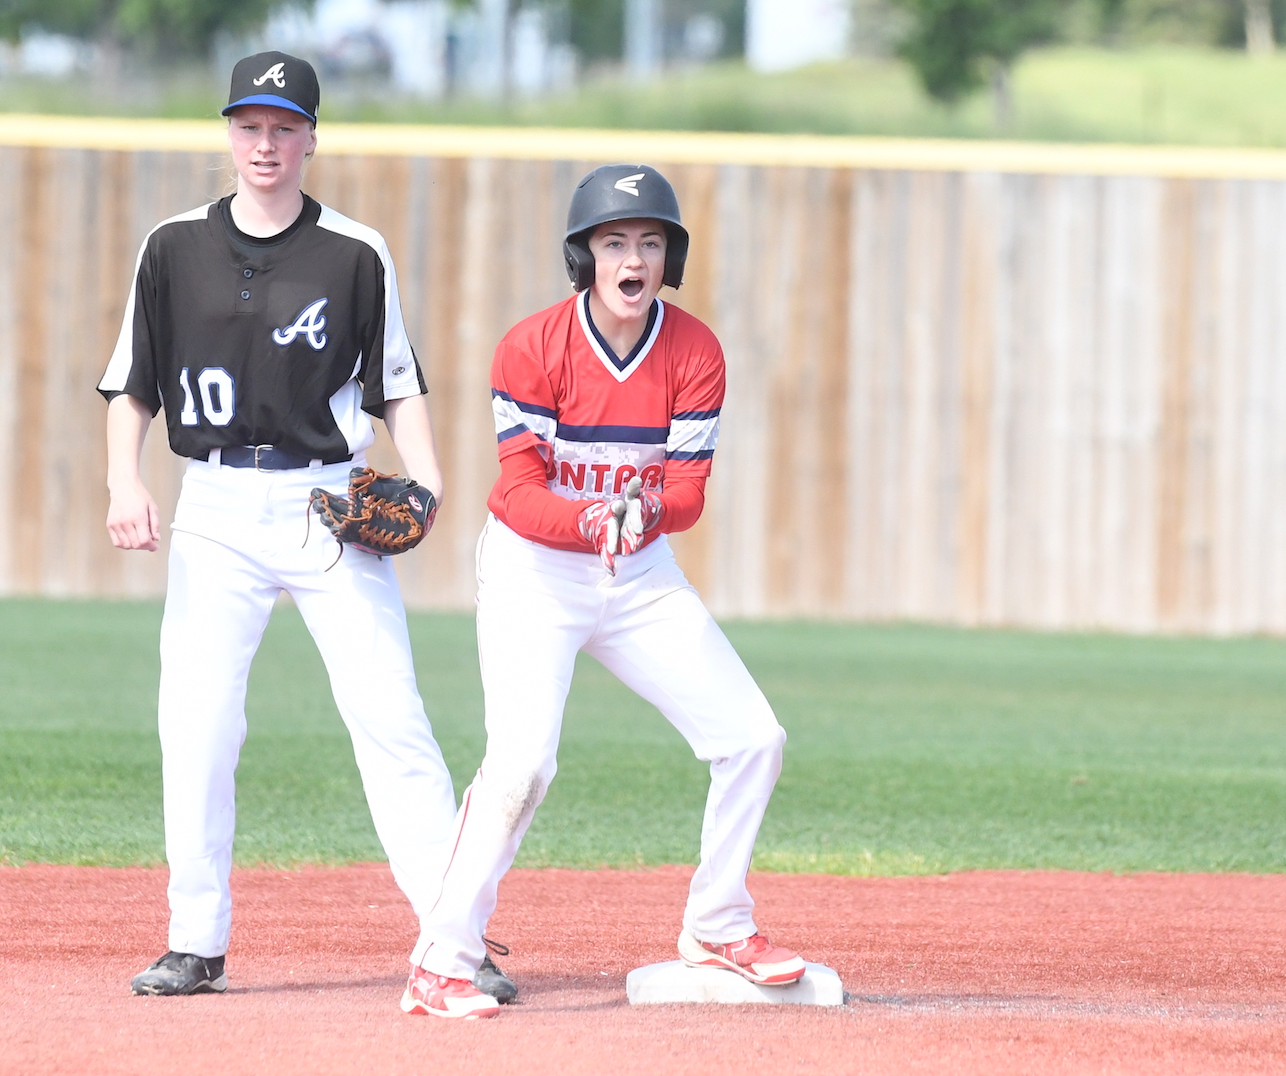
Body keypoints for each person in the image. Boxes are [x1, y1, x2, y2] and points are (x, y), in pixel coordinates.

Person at [97, 50, 511, 1015]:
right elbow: (133, 384)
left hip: (328, 507)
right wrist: (124, 478)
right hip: (214, 506)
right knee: (197, 726)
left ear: (312, 138)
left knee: (391, 719)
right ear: (228, 132)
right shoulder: (171, 246)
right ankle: (195, 941)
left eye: (284, 127)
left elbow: (396, 382)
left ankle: (454, 939)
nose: (265, 144)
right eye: (250, 125)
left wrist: (429, 478)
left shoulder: (355, 253)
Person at [407, 164, 807, 1000]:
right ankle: (440, 962)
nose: (633, 259)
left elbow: (688, 493)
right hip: (534, 572)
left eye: (650, 243)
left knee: (753, 738)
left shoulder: (694, 350)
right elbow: (521, 492)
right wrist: (594, 521)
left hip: (639, 574)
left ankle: (717, 923)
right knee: (522, 767)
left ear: (669, 259)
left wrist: (643, 513)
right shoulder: (532, 347)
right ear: (584, 257)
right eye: (615, 242)